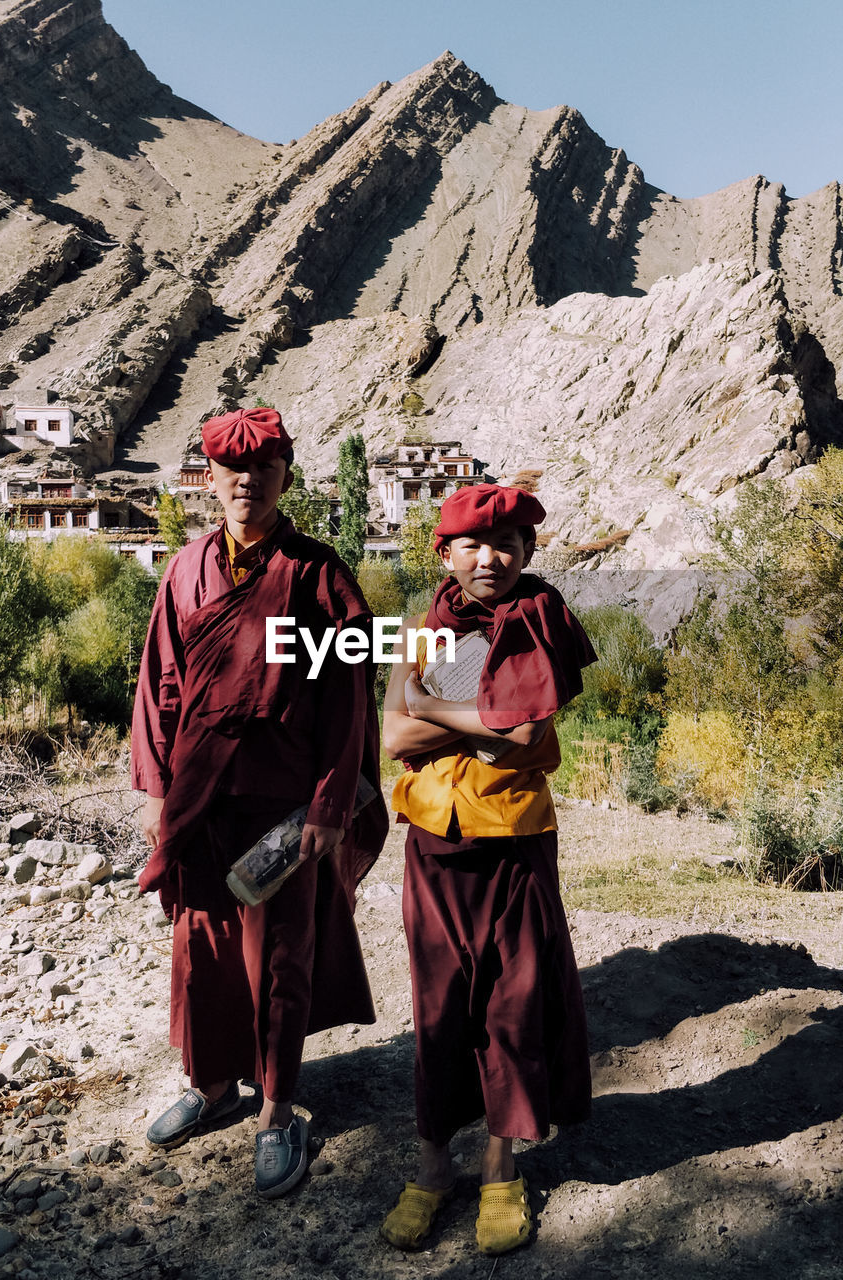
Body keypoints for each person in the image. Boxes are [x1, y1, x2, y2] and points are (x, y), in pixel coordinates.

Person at [131, 406, 387, 1199]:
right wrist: (153, 786)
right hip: (199, 798)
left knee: (279, 955)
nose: (248, 482)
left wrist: (329, 805)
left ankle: (277, 1111)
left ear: (285, 475)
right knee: (199, 950)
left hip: (282, 800)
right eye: (232, 469)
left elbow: (351, 698)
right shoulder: (184, 571)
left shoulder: (319, 573)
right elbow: (158, 686)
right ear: (211, 479)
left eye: (264, 468)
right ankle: (212, 1085)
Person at [380, 482, 595, 1254]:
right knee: (439, 1008)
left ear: (528, 553)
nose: (490, 558)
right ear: (445, 552)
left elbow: (529, 736)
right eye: (472, 543)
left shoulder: (543, 623)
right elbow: (395, 740)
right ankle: (434, 1166)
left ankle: (501, 1169)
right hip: (435, 839)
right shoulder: (425, 631)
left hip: (516, 841)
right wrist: (471, 724)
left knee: (513, 1007)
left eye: (507, 544)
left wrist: (435, 709)